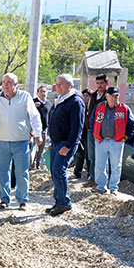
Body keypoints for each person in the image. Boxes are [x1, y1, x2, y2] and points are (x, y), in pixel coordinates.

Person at [0, 73, 42, 210]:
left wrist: (38, 134)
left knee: (22, 172)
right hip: (1, 141)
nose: (5, 84)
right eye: (4, 82)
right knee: (2, 172)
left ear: (16, 85)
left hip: (21, 141)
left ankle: (22, 200)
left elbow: (34, 116)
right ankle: (4, 200)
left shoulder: (25, 97)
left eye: (9, 82)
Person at [46, 74, 85, 216]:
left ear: (70, 85)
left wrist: (68, 145)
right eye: (57, 84)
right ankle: (59, 201)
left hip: (65, 143)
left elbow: (77, 128)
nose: (58, 86)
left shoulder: (75, 101)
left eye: (61, 84)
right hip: (56, 142)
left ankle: (64, 203)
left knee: (59, 171)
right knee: (54, 171)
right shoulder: (61, 99)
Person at [91, 86, 134, 195]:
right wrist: (95, 134)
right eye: (113, 96)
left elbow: (132, 125)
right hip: (101, 141)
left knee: (116, 165)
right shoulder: (99, 107)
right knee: (100, 165)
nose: (115, 98)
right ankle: (101, 187)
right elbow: (92, 122)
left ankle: (113, 187)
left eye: (117, 96)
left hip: (117, 141)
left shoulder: (124, 108)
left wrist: (125, 138)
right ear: (107, 96)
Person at [84, 74, 110, 187]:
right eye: (98, 83)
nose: (99, 86)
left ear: (106, 84)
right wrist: (89, 126)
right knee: (91, 156)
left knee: (103, 158)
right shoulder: (93, 96)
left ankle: (102, 182)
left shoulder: (109, 97)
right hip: (92, 130)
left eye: (102, 83)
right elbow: (90, 113)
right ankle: (93, 178)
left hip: (104, 131)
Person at [70, 88, 91, 179]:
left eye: (87, 96)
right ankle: (77, 172)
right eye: (84, 95)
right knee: (79, 155)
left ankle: (90, 174)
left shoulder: (92, 108)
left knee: (89, 155)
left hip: (88, 135)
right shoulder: (80, 107)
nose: (85, 97)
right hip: (79, 135)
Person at [31, 85, 52, 169]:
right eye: (41, 92)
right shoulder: (33, 102)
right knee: (32, 148)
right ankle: (30, 164)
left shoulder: (49, 103)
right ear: (37, 93)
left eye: (45, 92)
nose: (43, 93)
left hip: (44, 129)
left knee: (41, 148)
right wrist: (33, 106)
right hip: (33, 129)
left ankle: (37, 164)